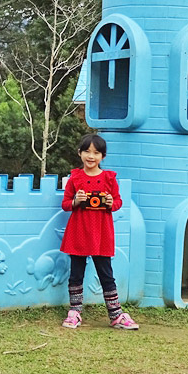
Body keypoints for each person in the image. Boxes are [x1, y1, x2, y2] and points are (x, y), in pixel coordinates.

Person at [59, 133, 139, 330]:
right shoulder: (74, 178)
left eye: (96, 152)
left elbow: (118, 202)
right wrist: (77, 201)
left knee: (106, 274)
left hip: (102, 232)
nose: (91, 156)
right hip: (78, 230)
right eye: (87, 151)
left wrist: (112, 202)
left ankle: (116, 314)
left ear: (103, 156)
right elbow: (65, 204)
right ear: (80, 153)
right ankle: (75, 312)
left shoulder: (109, 178)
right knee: (76, 274)